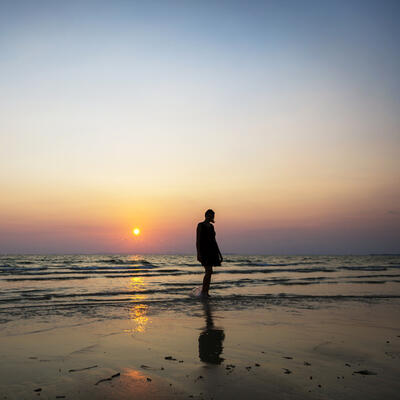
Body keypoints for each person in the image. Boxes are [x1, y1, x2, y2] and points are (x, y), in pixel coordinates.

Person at [196, 209, 223, 297]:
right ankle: (204, 292)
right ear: (206, 215)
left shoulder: (211, 227)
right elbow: (198, 240)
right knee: (208, 271)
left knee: (210, 272)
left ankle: (206, 292)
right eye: (211, 215)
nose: (212, 217)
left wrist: (219, 254)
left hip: (212, 251)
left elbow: (214, 241)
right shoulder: (200, 225)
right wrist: (198, 253)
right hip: (204, 252)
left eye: (213, 216)